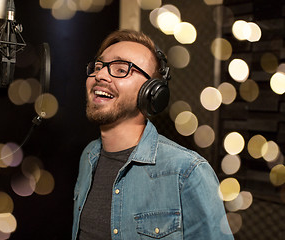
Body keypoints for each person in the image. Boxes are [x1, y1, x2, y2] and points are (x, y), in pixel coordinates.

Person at [72, 29, 233, 240]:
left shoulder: (187, 172)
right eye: (99, 67)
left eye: (121, 69)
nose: (100, 75)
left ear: (152, 91)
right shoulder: (89, 156)